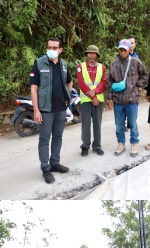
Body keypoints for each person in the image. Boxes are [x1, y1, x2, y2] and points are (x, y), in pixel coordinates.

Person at [30, 37, 73, 184]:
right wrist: (36, 110)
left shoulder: (63, 65)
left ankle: (55, 163)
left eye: (55, 48)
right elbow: (33, 88)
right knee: (44, 138)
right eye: (49, 47)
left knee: (58, 137)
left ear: (60, 50)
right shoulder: (39, 63)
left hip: (61, 108)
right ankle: (45, 168)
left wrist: (67, 94)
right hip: (45, 109)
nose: (51, 50)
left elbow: (69, 81)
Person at [107, 39, 149, 157]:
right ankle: (121, 143)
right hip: (117, 100)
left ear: (129, 50)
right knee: (119, 125)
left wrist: (137, 85)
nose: (122, 52)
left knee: (133, 123)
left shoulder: (135, 62)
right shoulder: (114, 63)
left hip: (132, 99)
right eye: (120, 50)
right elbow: (109, 82)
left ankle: (134, 144)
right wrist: (110, 98)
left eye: (124, 50)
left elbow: (145, 75)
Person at [77, 45, 107, 157]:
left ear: (97, 55)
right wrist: (92, 96)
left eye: (93, 53)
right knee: (86, 124)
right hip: (86, 100)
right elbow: (81, 83)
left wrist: (95, 93)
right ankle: (85, 146)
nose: (91, 55)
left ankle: (97, 146)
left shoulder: (102, 67)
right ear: (86, 54)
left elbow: (103, 82)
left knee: (97, 123)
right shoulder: (80, 67)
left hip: (98, 100)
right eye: (89, 53)